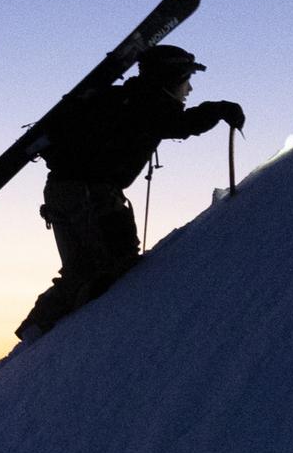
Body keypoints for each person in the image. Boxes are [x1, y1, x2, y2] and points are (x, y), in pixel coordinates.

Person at [14, 44, 243, 344]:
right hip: (89, 196)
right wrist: (220, 109)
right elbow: (180, 123)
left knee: (87, 269)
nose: (189, 88)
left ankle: (38, 334)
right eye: (186, 79)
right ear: (170, 78)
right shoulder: (147, 103)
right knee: (109, 267)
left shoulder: (121, 99)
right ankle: (55, 338)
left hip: (66, 192)